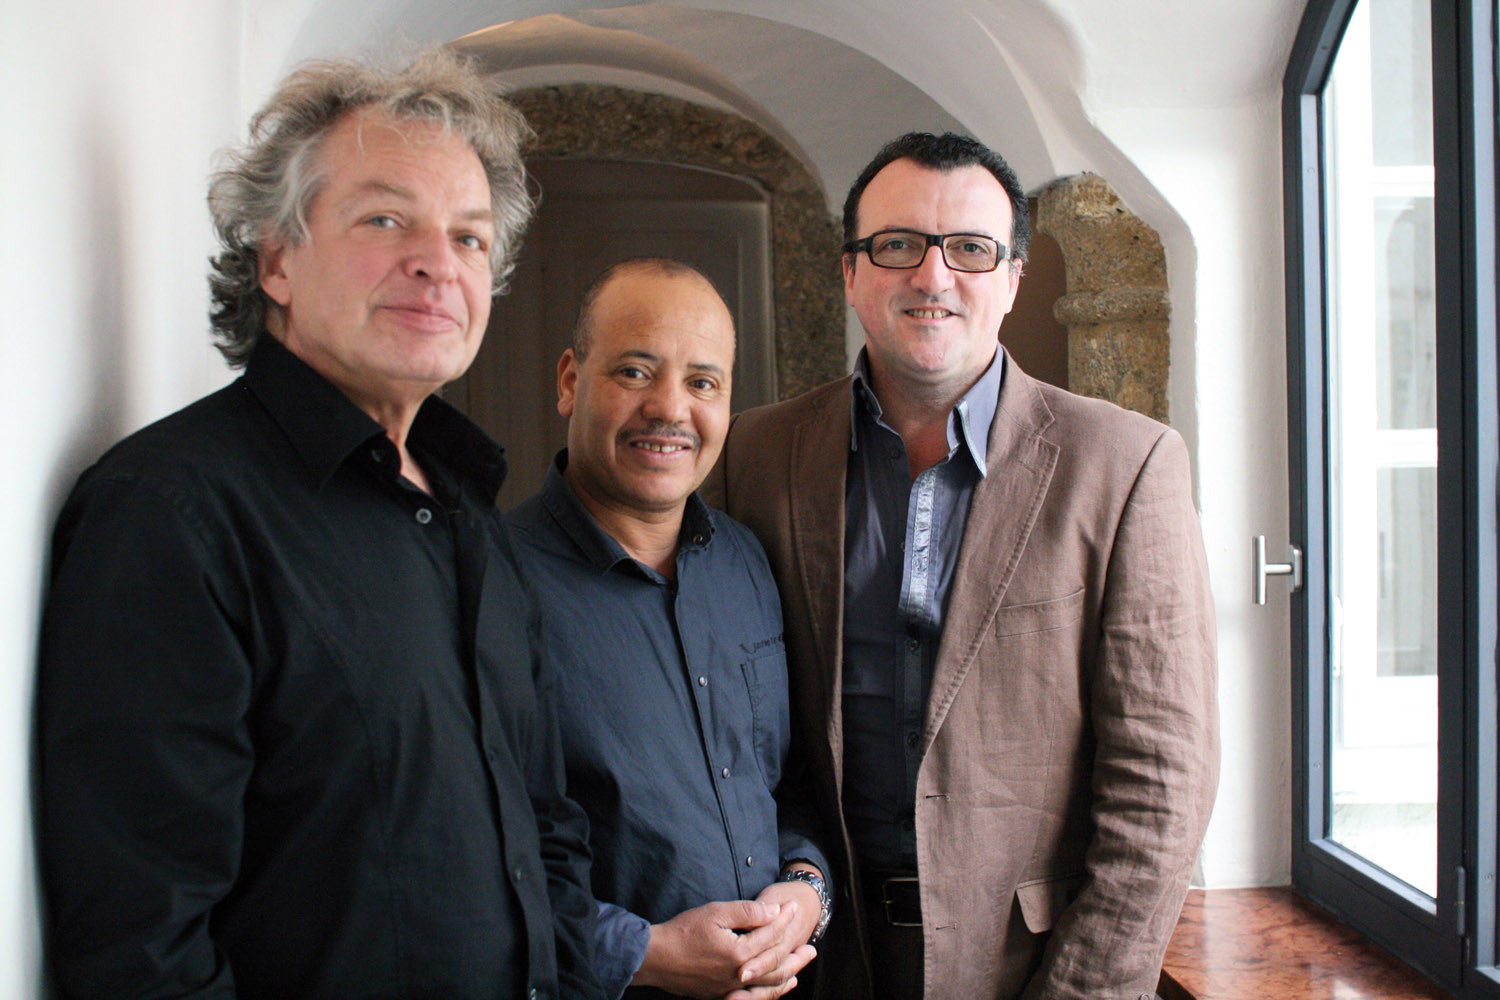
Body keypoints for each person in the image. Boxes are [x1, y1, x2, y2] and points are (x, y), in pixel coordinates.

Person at [36, 50, 602, 1000]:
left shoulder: (469, 509)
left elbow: (547, 824)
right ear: (276, 261)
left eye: (468, 237)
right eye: (385, 219)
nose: (437, 261)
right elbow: (143, 942)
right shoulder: (172, 511)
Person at [703, 132, 1219, 1000]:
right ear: (850, 272)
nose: (932, 276)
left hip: (1026, 965)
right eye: (897, 245)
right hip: (813, 958)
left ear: (1012, 279)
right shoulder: (753, 455)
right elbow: (734, 723)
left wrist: (1083, 991)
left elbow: (1163, 780)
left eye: (971, 250)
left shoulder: (1125, 466)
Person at [503, 259, 833, 1000]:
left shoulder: (746, 563)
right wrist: (645, 953)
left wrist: (807, 887)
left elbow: (786, 784)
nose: (669, 409)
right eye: (634, 372)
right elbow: (466, 858)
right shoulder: (489, 586)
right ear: (569, 380)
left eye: (703, 383)